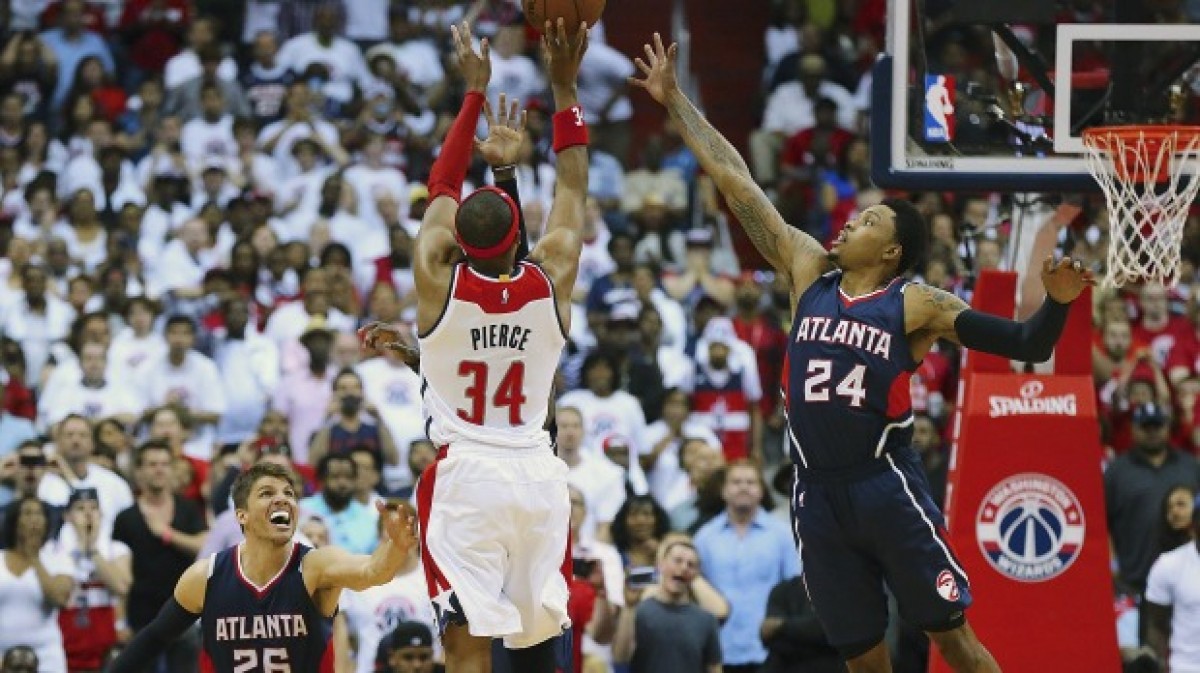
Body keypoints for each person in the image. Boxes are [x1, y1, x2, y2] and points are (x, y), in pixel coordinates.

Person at [630, 32, 1095, 672]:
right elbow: (736, 183)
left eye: (869, 221)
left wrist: (1058, 302)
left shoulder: (917, 303)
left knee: (950, 636)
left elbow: (1024, 342)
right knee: (863, 658)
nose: (851, 221)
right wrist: (676, 102)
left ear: (892, 251)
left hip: (885, 484)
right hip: (815, 493)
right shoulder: (806, 270)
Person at [361, 19, 590, 673]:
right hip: (538, 471)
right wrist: (564, 87)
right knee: (538, 644)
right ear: (520, 235)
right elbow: (573, 186)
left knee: (466, 651)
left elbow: (441, 185)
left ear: (456, 242)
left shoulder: (439, 281)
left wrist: (472, 93)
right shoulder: (552, 276)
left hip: (467, 478)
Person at [109, 458, 417, 672]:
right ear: (241, 515)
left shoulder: (315, 566)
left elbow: (372, 571)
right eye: (267, 493)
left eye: (289, 494)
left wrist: (396, 546)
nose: (282, 499)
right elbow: (155, 637)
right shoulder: (206, 576)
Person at [611, 537, 723, 673]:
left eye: (691, 565)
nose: (684, 567)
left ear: (695, 575)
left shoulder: (706, 620)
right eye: (677, 561)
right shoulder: (641, 611)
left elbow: (714, 668)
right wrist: (629, 607)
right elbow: (620, 657)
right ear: (661, 565)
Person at [0, 496, 75, 671]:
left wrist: (35, 558)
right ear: (14, 521)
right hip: (2, 653)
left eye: (39, 514)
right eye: (27, 513)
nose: (33, 519)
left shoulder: (58, 559)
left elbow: (60, 599)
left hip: (46, 653)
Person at [1144, 495, 1200, 673]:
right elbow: (1157, 623)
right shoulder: (1169, 565)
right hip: (1188, 667)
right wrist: (1162, 663)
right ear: (1193, 524)